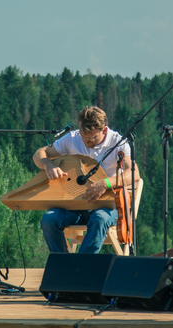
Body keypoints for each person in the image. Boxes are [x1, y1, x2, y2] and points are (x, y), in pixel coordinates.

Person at [33, 106, 140, 254]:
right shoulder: (73, 138)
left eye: (91, 138)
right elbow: (40, 153)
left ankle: (81, 267)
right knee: (49, 219)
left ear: (104, 130)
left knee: (99, 218)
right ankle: (62, 265)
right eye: (83, 136)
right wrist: (48, 165)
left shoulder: (118, 142)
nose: (86, 142)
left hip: (108, 206)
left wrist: (106, 183)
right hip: (75, 206)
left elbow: (133, 173)